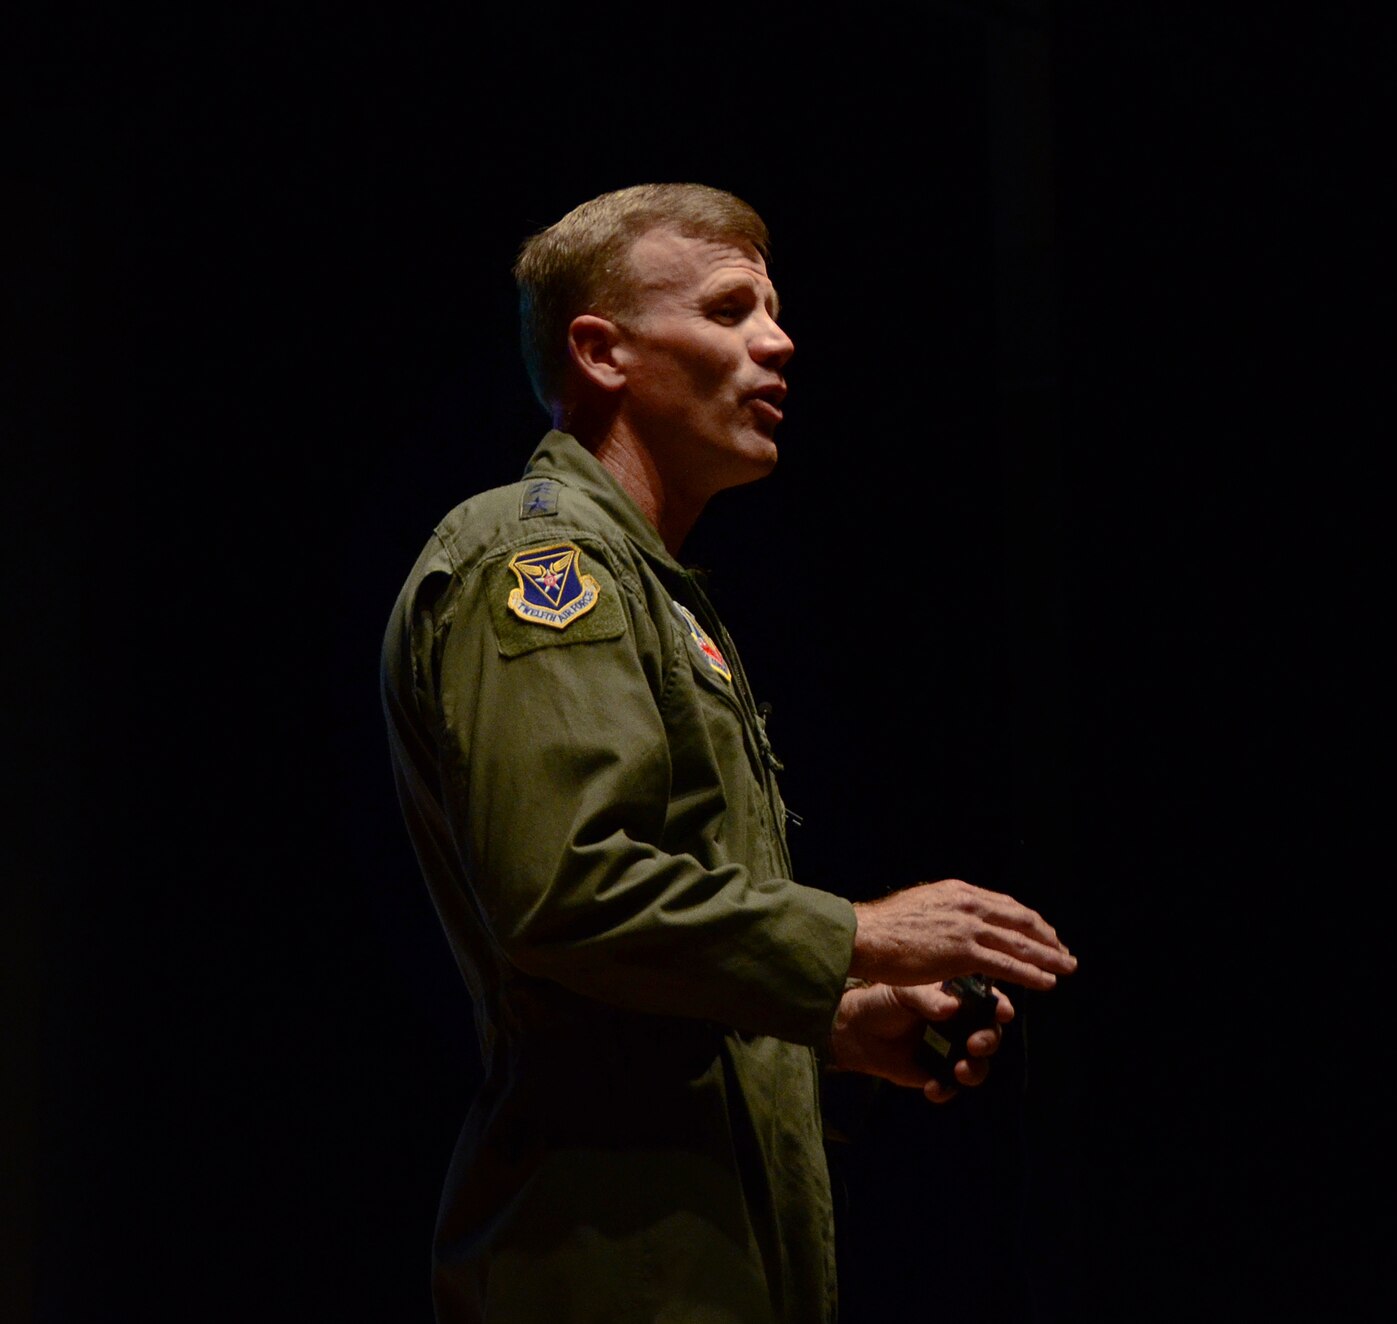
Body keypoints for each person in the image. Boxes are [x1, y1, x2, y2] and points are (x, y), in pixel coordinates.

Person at [380, 182, 1076, 1324]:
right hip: (613, 1262)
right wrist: (857, 933)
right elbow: (566, 894)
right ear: (601, 352)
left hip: (699, 1249)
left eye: (773, 309)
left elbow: (638, 976)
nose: (778, 339)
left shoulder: (663, 598)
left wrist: (831, 1021)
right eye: (728, 308)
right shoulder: (540, 566)